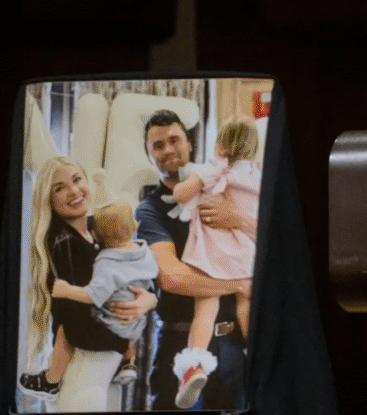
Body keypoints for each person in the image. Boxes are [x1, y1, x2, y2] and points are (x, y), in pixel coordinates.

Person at [135, 110, 253, 411]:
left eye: (174, 140)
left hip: (235, 345)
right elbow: (172, 278)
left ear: (189, 144)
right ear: (150, 155)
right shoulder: (150, 211)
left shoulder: (230, 187)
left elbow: (274, 245)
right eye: (157, 146)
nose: (168, 150)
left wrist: (238, 220)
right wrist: (239, 283)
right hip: (181, 342)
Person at [23, 157, 157, 412]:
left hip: (105, 368)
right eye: (59, 188)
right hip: (84, 365)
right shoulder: (65, 243)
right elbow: (80, 318)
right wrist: (126, 331)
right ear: (48, 199)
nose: (73, 191)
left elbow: (136, 270)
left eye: (76, 180)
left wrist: (148, 299)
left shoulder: (102, 227)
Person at [169, 117, 261, 408]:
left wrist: (193, 184)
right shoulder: (258, 176)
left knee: (205, 309)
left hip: (210, 253)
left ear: (220, 145)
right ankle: (256, 354)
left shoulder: (211, 169)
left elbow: (180, 194)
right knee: (245, 300)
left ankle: (194, 367)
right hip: (245, 250)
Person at [50, 200, 159, 375]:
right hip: (139, 324)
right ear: (132, 227)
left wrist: (66, 290)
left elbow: (93, 295)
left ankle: (52, 378)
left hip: (114, 324)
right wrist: (151, 298)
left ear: (96, 235)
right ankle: (129, 363)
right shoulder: (144, 252)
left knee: (67, 329)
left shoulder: (107, 263)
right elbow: (151, 280)